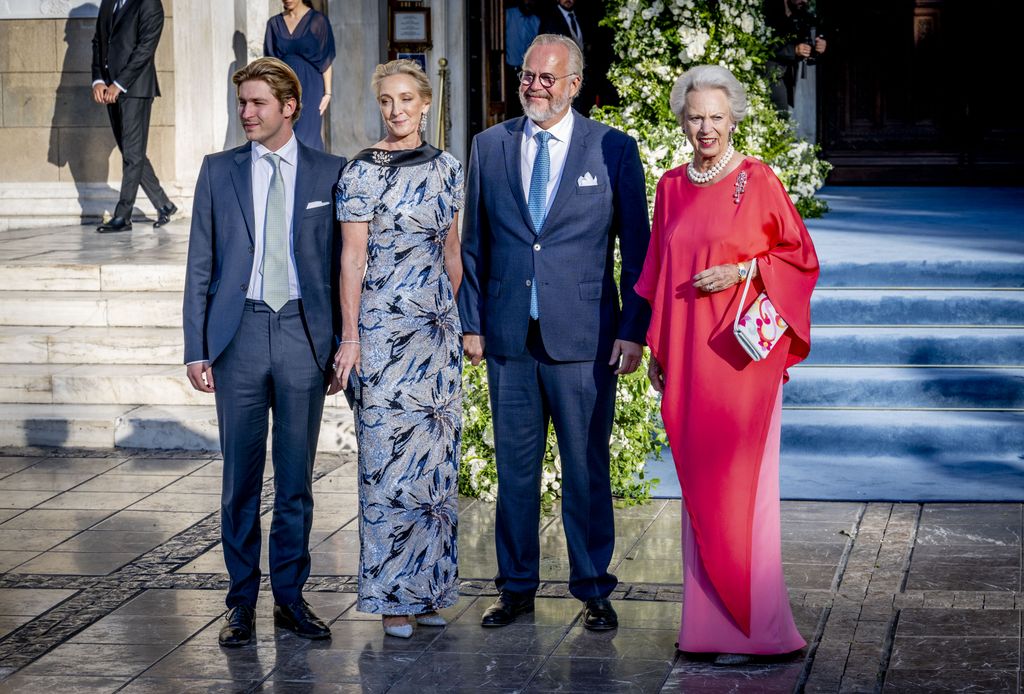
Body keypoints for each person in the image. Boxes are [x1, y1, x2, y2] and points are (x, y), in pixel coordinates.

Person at [459, 34, 651, 631]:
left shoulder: (613, 149)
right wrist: (472, 324)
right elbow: (475, 246)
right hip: (509, 339)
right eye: (527, 75)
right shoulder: (489, 145)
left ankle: (593, 586)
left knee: (586, 467)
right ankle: (515, 588)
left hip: (585, 338)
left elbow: (638, 249)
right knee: (515, 471)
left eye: (547, 77)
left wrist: (633, 331)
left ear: (574, 84)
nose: (534, 85)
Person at [634, 65, 819, 663]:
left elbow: (799, 257)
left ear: (733, 117)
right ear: (683, 121)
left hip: (741, 363)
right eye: (696, 117)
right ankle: (708, 631)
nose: (706, 127)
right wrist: (656, 346)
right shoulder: (668, 186)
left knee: (743, 491)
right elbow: (656, 272)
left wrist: (741, 270)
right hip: (689, 355)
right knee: (700, 489)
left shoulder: (757, 179)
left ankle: (756, 629)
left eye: (716, 116)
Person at [182, 57, 346, 648]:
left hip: (304, 336)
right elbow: (201, 261)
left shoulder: (332, 173)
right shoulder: (218, 171)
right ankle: (240, 603)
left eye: (257, 104)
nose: (246, 113)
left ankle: (291, 599)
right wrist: (195, 346)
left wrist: (342, 343)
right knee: (240, 481)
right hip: (240, 337)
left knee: (297, 478)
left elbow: (342, 266)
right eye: (242, 103)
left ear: (290, 108)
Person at [334, 59, 464, 639]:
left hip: (435, 340)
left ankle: (429, 590)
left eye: (407, 99)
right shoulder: (361, 173)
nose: (396, 110)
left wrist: (441, 317)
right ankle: (392, 599)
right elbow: (352, 260)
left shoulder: (450, 169)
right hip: (382, 339)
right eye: (387, 100)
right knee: (387, 469)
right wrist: (352, 336)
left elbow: (453, 255)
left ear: (426, 103)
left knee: (435, 470)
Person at [91, 0, 176, 233]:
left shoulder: (149, 4)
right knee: (132, 153)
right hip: (109, 89)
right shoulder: (108, 3)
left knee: (132, 154)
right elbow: (98, 41)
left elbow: (145, 50)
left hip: (135, 89)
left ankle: (123, 215)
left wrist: (119, 84)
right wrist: (98, 79)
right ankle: (164, 204)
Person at [264, 0, 336, 151]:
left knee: (308, 137)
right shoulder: (274, 23)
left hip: (311, 87)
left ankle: (312, 173)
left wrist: (328, 92)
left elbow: (326, 58)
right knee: (282, 134)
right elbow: (269, 63)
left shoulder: (318, 20)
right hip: (282, 87)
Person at [764, 0, 827, 113]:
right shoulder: (769, 9)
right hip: (767, 74)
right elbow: (763, 43)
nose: (805, 1)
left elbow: (806, 49)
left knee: (781, 121)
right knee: (780, 120)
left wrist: (818, 49)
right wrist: (794, 50)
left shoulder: (801, 13)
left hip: (786, 78)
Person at [504, 0, 541, 119]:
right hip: (509, 71)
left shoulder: (536, 20)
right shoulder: (507, 15)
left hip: (529, 73)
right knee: (510, 108)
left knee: (528, 108)